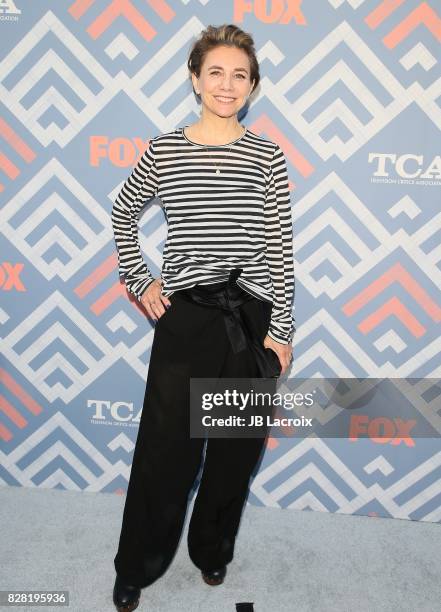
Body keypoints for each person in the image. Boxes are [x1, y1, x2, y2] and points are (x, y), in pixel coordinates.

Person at [110, 23, 295, 612]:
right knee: (165, 452)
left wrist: (281, 332)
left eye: (239, 74)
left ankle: (212, 550)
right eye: (215, 71)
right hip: (187, 319)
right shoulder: (166, 148)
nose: (226, 83)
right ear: (195, 78)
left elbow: (280, 249)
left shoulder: (268, 155)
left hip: (249, 320)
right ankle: (136, 564)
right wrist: (141, 280)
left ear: (252, 86)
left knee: (233, 452)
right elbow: (123, 211)